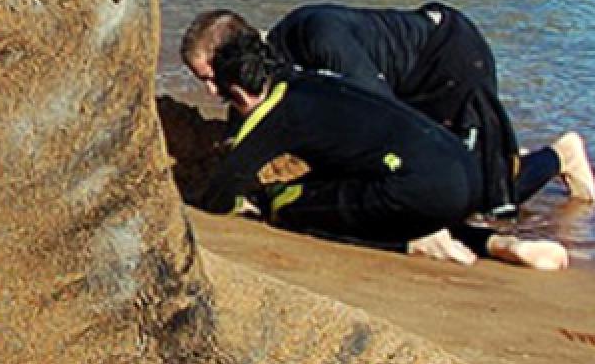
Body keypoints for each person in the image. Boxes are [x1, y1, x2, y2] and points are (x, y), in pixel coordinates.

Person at [189, 34, 567, 271]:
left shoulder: (272, 114)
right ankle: (494, 243)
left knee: (283, 204)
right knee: (348, 189)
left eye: (211, 84)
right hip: (464, 171)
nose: (211, 94)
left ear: (235, 87)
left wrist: (243, 199)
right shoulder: (307, 81)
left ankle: (412, 241)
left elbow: (219, 197)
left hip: (425, 190)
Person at [179, 3, 595, 217]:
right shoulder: (263, 81)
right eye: (204, 83)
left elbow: (384, 118)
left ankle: (560, 155)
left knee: (482, 199)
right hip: (410, 76)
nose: (212, 90)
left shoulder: (317, 38)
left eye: (212, 77)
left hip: (451, 61)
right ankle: (505, 159)